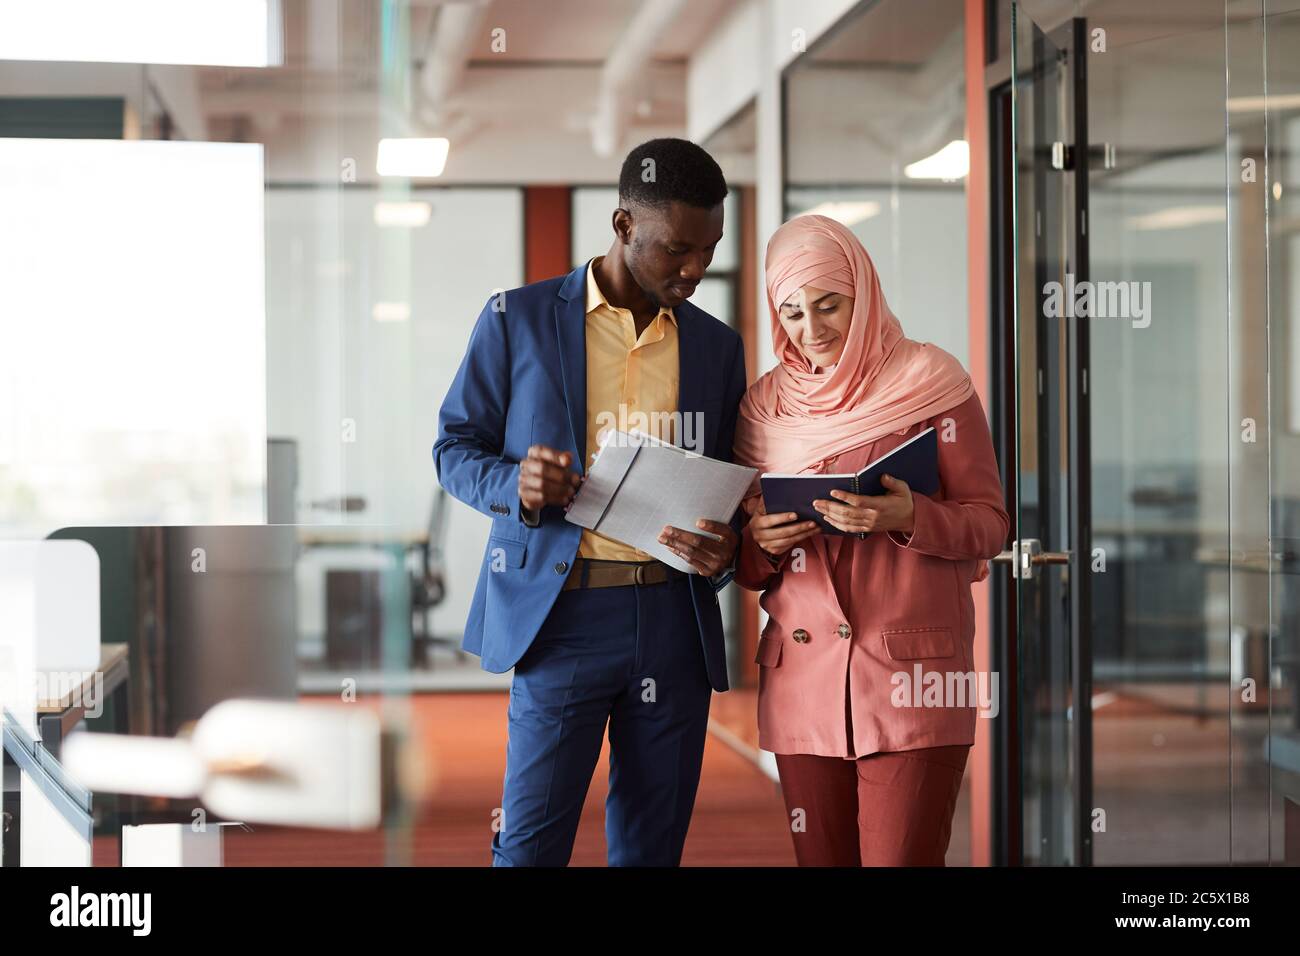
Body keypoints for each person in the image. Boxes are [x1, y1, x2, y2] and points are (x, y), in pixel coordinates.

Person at [434, 138, 746, 866]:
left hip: (673, 620)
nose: (695, 270)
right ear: (624, 224)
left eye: (708, 250)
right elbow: (455, 449)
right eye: (677, 250)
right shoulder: (517, 318)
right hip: (561, 617)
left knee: (650, 848)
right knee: (531, 846)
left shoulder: (716, 348)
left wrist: (726, 547)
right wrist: (515, 486)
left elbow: (732, 484)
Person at [732, 214, 1009, 866]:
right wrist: (762, 540)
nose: (813, 329)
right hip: (802, 682)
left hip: (914, 678)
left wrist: (907, 516)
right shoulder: (763, 407)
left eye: (829, 305)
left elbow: (990, 525)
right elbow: (744, 563)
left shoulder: (931, 382)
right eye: (793, 312)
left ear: (864, 292)